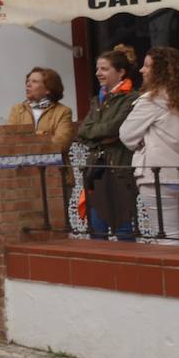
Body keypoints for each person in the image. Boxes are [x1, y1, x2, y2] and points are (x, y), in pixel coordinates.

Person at [120, 46, 179, 240]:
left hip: (159, 174)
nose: (142, 70)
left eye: (147, 66)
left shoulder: (151, 100)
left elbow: (126, 136)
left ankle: (174, 272)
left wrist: (145, 139)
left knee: (166, 237)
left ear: (160, 72)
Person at [75, 45, 140, 241]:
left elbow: (116, 128)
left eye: (104, 69)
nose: (98, 73)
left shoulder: (131, 98)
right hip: (97, 171)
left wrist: (99, 134)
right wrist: (102, 136)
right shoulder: (98, 100)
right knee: (97, 229)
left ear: (120, 72)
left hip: (120, 170)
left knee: (123, 230)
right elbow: (82, 132)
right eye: (97, 69)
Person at [6, 67, 74, 154]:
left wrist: (31, 138)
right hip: (24, 166)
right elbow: (8, 141)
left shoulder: (63, 111)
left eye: (34, 81)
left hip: (54, 166)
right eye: (28, 81)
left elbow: (61, 144)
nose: (28, 84)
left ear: (48, 89)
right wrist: (42, 136)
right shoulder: (17, 109)